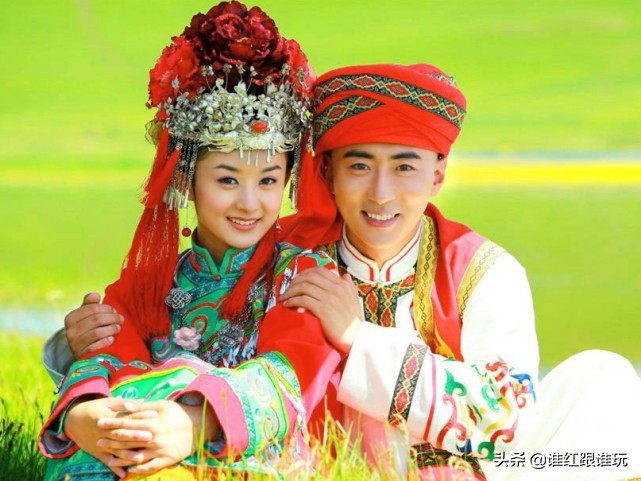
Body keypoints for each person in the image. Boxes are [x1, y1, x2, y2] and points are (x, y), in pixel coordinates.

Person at [44, 62, 641, 479]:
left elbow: (505, 417)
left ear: (437, 174)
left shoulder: (483, 271)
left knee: (606, 382)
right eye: (359, 166)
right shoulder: (284, 250)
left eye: (404, 167)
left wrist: (358, 338)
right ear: (325, 174)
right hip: (327, 466)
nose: (381, 193)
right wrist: (79, 345)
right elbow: (185, 310)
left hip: (481, 471)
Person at [38, 2, 341, 480]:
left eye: (267, 180)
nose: (249, 203)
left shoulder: (301, 277)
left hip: (243, 457)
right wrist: (83, 414)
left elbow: (289, 375)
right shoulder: (147, 285)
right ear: (186, 179)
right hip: (140, 447)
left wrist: (192, 424)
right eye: (227, 179)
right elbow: (104, 362)